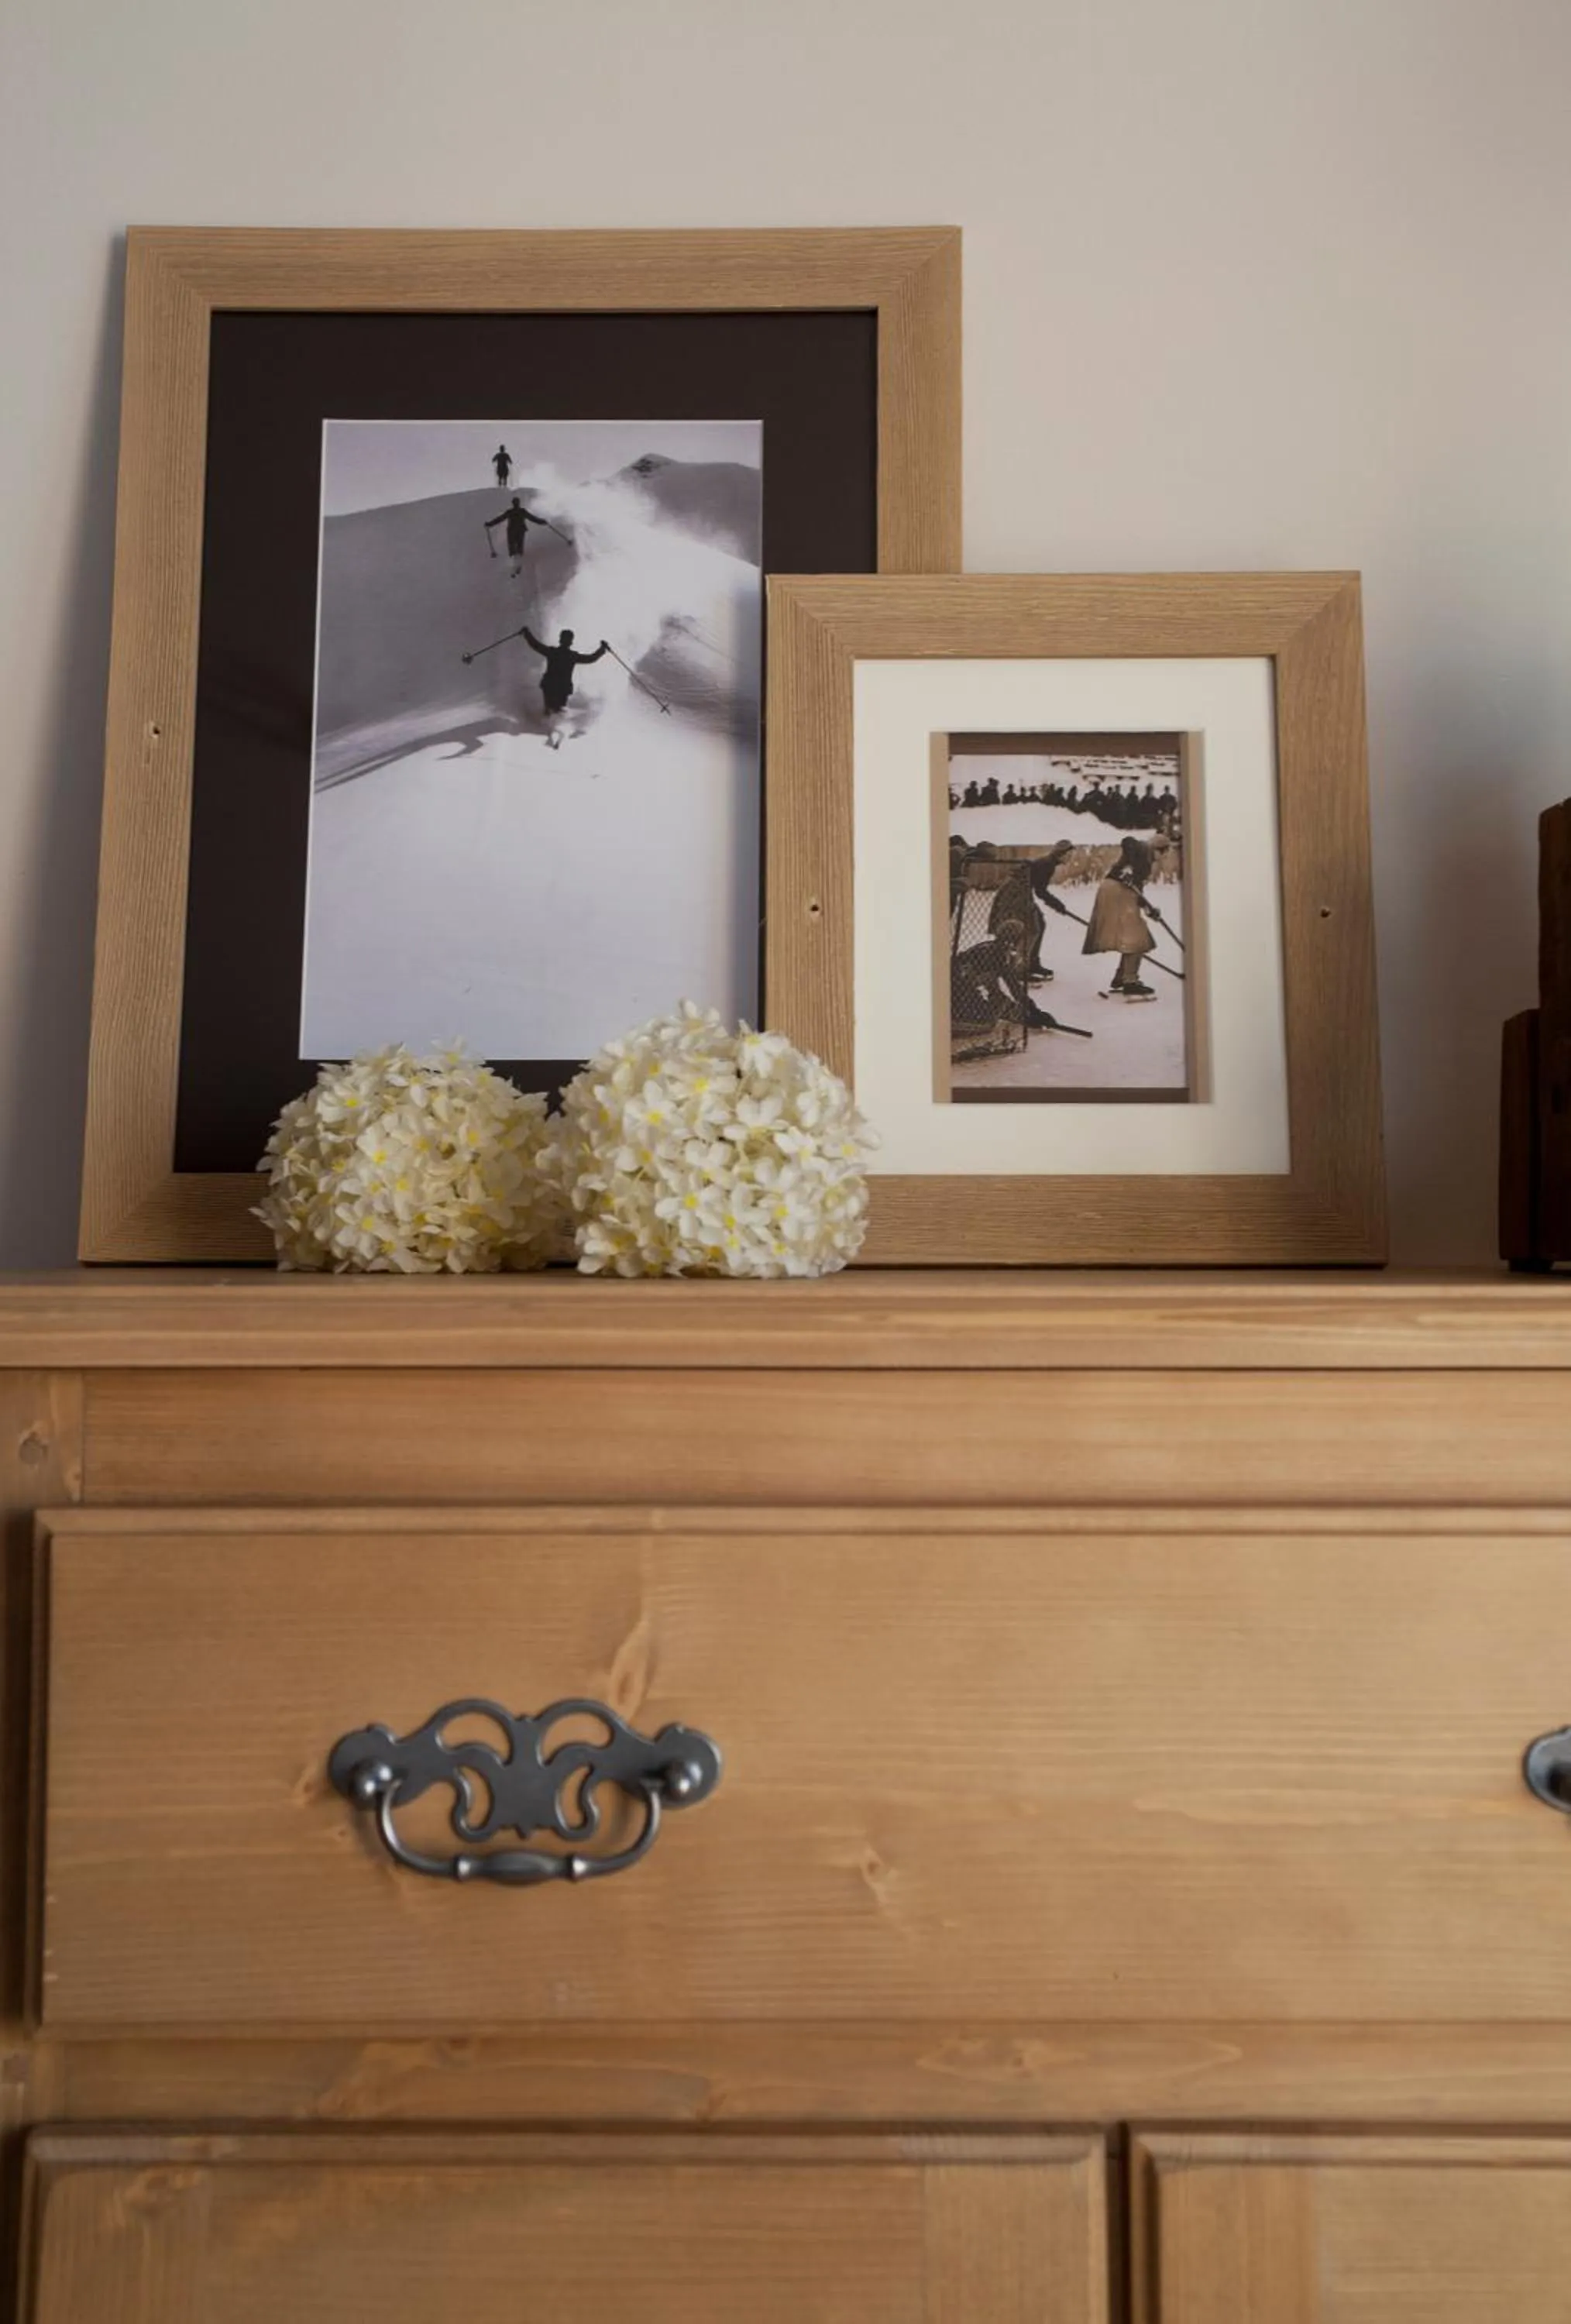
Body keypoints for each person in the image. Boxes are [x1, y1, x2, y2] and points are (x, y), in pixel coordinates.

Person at [1082, 834, 1159, 999]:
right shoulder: (1142, 850)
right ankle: (1130, 982)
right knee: (1137, 936)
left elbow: (1139, 891)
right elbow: (1127, 841)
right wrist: (1128, 869)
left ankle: (1121, 978)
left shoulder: (1146, 860)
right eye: (1164, 852)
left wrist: (1149, 909)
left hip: (1116, 891)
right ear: (1158, 849)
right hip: (1116, 891)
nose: (1162, 858)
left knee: (1134, 935)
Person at [521, 625, 610, 717]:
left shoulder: (553, 652)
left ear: (560, 640)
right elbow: (591, 659)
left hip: (550, 685)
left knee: (549, 707)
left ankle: (547, 723)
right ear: (571, 642)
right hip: (563, 687)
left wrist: (527, 634)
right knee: (558, 709)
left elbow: (536, 645)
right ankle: (554, 724)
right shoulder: (572, 656)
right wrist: (602, 649)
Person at [1026, 841, 1074, 983]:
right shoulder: (1047, 865)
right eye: (1069, 855)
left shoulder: (1049, 863)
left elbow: (1039, 890)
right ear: (1061, 854)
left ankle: (1032, 964)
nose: (1070, 858)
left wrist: (1057, 905)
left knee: (1039, 925)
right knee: (1033, 928)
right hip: (1016, 894)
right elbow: (1040, 891)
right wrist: (1058, 905)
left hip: (1023, 894)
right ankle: (1023, 967)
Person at [485, 494, 548, 576]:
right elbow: (533, 518)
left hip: (512, 532)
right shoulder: (522, 511)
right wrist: (542, 522)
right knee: (519, 548)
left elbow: (500, 519)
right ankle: (518, 565)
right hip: (520, 531)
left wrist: (490, 524)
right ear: (518, 503)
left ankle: (516, 566)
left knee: (513, 549)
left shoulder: (511, 512)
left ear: (514, 504)